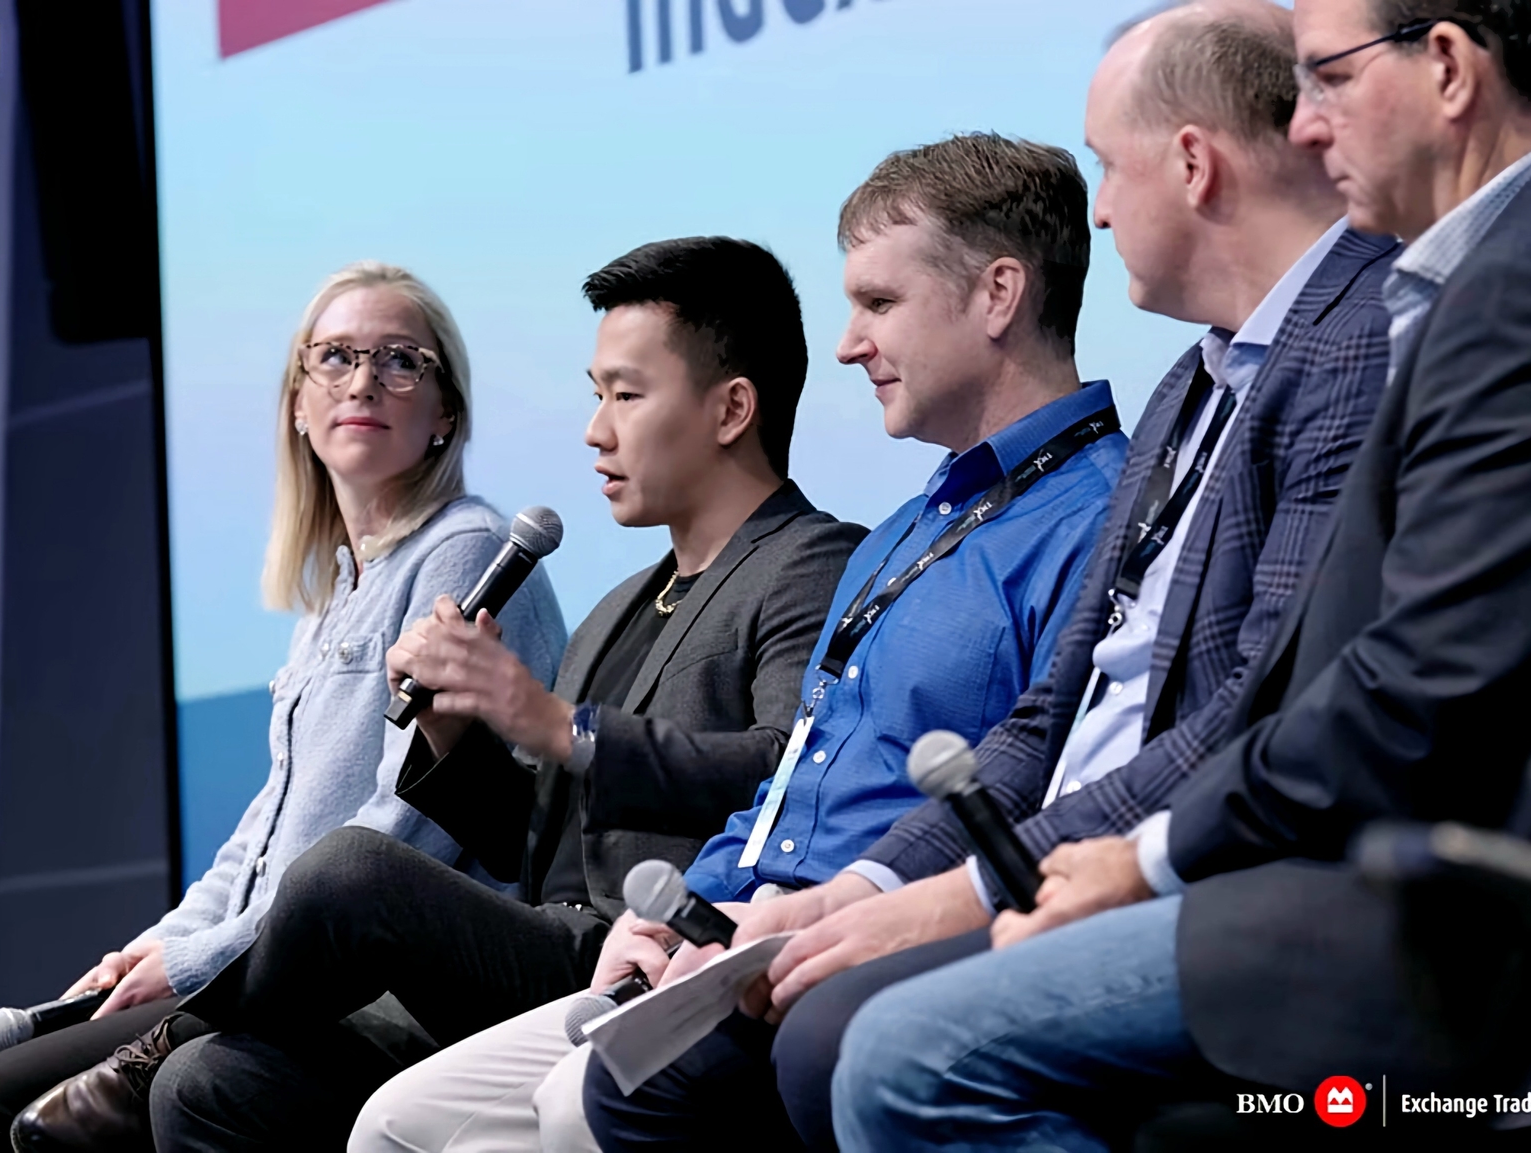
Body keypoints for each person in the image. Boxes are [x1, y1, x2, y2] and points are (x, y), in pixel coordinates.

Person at [833, 0, 1531, 1146]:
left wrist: (1146, 856)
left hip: (1437, 909)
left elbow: (1411, 699)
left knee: (901, 1055)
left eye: (1321, 80)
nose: (1304, 131)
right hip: (1381, 863)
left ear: (1451, 71)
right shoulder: (1527, 271)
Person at [576, 4, 1400, 1149]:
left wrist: (965, 893)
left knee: (819, 1047)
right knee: (629, 1071)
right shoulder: (1183, 392)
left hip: (1204, 870)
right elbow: (1049, 721)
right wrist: (854, 892)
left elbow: (1243, 711)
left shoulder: (1352, 345)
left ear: (1194, 165)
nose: (1099, 210)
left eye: (1109, 170)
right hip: (1075, 855)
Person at [352, 132, 1130, 1153]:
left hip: (858, 939)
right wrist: (694, 903)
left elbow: (1037, 782)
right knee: (398, 1125)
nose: (850, 343)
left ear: (996, 294)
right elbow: (790, 782)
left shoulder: (1101, 512)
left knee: (517, 1070)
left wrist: (561, 731)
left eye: (878, 304)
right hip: (715, 934)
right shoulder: (896, 535)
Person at [15, 237, 865, 1151]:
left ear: (732, 408)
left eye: (626, 395)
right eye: (594, 394)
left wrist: (553, 723)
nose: (595, 429)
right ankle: (175, 1047)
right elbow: (531, 843)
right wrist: (453, 734)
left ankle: (174, 1020)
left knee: (352, 870)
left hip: (644, 944)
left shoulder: (810, 562)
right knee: (211, 1085)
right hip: (545, 935)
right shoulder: (621, 604)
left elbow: (788, 772)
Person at [0, 262, 567, 1153]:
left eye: (402, 361)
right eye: (337, 357)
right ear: (296, 403)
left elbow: (402, 836)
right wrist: (160, 942)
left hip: (358, 980)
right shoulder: (335, 591)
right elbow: (263, 833)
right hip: (250, 954)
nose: (364, 381)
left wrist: (200, 961)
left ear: (447, 414)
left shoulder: (464, 548)